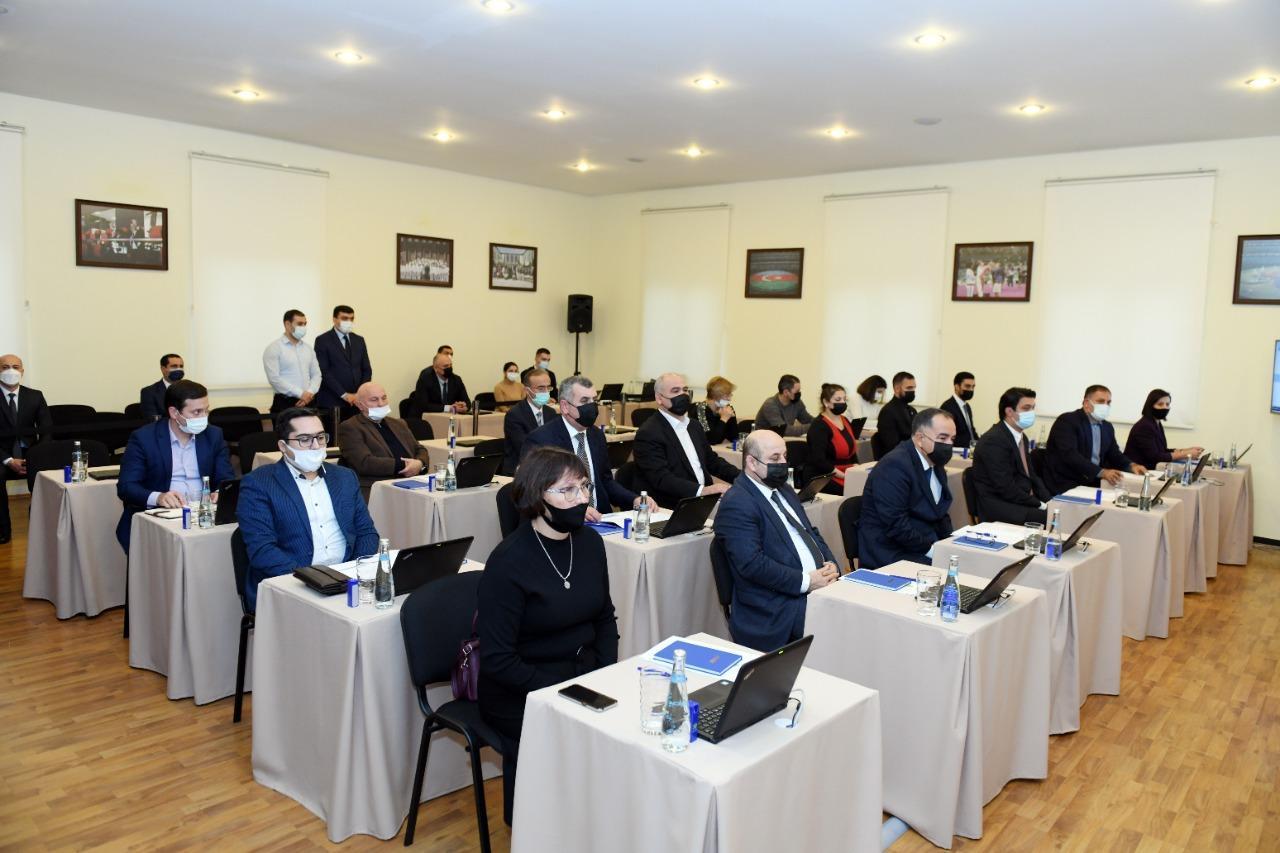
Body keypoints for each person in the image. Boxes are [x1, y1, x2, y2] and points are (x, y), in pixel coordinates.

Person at [478, 446, 618, 825]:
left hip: (580, 675)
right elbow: (498, 660)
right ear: (538, 496)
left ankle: (592, 825)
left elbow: (605, 618)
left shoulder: (590, 543)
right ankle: (538, 829)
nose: (582, 499)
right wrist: (562, 692)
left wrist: (604, 673)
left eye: (584, 487)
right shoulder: (508, 562)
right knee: (571, 743)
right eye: (567, 490)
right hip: (521, 687)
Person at [236, 408, 379, 612]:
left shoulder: (345, 477)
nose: (315, 446)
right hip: (291, 583)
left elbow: (366, 532)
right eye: (304, 439)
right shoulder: (259, 483)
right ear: (283, 446)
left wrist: (355, 573)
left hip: (346, 579)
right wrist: (314, 580)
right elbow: (262, 550)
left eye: (320, 437)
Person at [713, 430, 839, 651]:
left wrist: (831, 564)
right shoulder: (737, 502)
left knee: (864, 609)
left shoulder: (784, 490)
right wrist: (807, 581)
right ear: (752, 463)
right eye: (774, 458)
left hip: (816, 586)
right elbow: (751, 564)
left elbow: (810, 532)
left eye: (784, 456)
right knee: (846, 626)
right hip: (775, 605)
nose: (783, 463)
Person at [115, 380, 235, 552]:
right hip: (161, 518)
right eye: (196, 412)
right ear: (174, 412)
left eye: (206, 410)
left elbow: (226, 477)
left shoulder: (213, 435)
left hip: (204, 516)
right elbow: (126, 487)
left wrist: (219, 492)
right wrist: (158, 497)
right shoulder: (144, 438)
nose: (203, 417)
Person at [522, 375, 657, 517]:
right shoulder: (541, 439)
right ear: (565, 406)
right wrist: (576, 509)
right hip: (564, 520)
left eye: (594, 400)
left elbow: (605, 481)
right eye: (584, 401)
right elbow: (533, 491)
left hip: (601, 518)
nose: (592, 406)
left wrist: (634, 499)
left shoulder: (596, 435)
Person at [859, 408, 955, 568]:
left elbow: (940, 513)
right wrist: (934, 551)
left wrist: (951, 545)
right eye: (943, 438)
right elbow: (896, 525)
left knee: (969, 561)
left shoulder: (934, 461)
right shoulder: (894, 466)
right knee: (953, 570)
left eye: (952, 439)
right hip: (891, 551)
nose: (949, 445)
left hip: (921, 542)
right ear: (920, 438)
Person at [633, 372, 739, 508]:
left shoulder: (694, 425)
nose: (683, 395)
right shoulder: (649, 432)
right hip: (672, 505)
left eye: (685, 390)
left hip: (704, 501)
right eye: (675, 391)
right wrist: (703, 491)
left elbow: (712, 461)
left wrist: (742, 478)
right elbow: (661, 478)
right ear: (659, 398)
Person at [1042, 385, 1147, 495]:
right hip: (1067, 480)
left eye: (1108, 402)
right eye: (1101, 401)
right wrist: (1102, 472)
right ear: (1086, 403)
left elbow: (1114, 453)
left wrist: (1131, 465)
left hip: (1093, 480)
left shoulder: (1107, 427)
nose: (1105, 406)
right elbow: (1070, 455)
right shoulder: (1067, 421)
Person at [335, 382, 432, 498]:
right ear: (360, 405)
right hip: (376, 487)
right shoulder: (350, 427)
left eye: (384, 398)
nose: (381, 404)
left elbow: (420, 449)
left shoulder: (398, 423)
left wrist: (419, 463)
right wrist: (404, 465)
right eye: (374, 399)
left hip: (411, 483)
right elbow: (365, 463)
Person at [971, 387, 1051, 525]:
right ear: (1009, 411)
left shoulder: (1022, 438)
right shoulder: (994, 440)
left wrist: (1049, 501)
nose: (1031, 413)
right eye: (1026, 408)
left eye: (1033, 408)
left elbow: (1032, 476)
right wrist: (1039, 504)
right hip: (1000, 506)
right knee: (1052, 519)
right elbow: (1005, 487)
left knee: (1060, 512)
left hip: (1020, 500)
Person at [0, 354, 52, 545]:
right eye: (5, 367)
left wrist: (35, 456)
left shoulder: (35, 396)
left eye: (15, 367)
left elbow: (47, 430)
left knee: (47, 475)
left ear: (22, 371)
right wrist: (8, 460)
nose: (10, 371)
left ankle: (42, 528)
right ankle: (3, 531)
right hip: (2, 456)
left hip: (30, 453)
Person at [313, 305, 372, 421]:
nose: (348, 322)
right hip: (332, 401)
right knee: (335, 432)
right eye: (344, 318)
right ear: (334, 319)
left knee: (356, 432)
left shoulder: (359, 340)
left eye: (351, 319)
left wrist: (359, 394)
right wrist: (344, 394)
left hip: (357, 402)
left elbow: (366, 369)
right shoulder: (322, 340)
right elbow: (324, 371)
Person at [1124, 389, 1205, 470]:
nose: (1165, 407)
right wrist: (1186, 454)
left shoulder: (1156, 423)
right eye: (1160, 404)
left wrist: (1187, 450)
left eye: (1167, 404)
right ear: (1150, 405)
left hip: (1150, 469)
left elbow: (1162, 451)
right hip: (1139, 471)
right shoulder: (1144, 426)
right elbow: (1155, 457)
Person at [263, 309, 322, 415]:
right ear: (287, 324)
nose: (303, 327)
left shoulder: (308, 349)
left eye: (305, 324)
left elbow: (317, 374)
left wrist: (309, 393)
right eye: (299, 324)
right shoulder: (274, 348)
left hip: (309, 401)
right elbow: (274, 379)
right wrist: (300, 394)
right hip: (285, 403)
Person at [502, 368, 558, 475]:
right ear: (527, 390)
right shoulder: (515, 415)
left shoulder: (551, 413)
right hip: (521, 470)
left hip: (548, 468)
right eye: (541, 388)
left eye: (548, 387)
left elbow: (558, 442)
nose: (546, 391)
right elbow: (526, 448)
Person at [806, 383, 858, 495]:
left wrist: (857, 469)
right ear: (826, 402)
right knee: (855, 489)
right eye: (838, 399)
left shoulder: (845, 420)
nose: (842, 403)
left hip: (845, 470)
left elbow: (853, 453)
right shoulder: (819, 426)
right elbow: (819, 461)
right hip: (825, 475)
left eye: (844, 399)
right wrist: (844, 476)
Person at [870, 371, 917, 460]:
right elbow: (892, 446)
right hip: (896, 460)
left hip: (910, 456)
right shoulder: (888, 412)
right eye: (909, 388)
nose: (912, 391)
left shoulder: (912, 410)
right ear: (897, 389)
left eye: (914, 388)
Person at [692, 375, 738, 446]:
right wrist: (724, 419)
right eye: (727, 395)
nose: (729, 399)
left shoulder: (726, 408)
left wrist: (731, 418)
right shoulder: (700, 409)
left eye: (730, 395)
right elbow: (711, 440)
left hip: (720, 449)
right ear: (716, 395)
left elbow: (734, 437)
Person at [140, 353, 184, 422]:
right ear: (163, 369)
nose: (178, 369)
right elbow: (153, 420)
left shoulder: (192, 390)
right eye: (174, 366)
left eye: (181, 366)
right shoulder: (149, 392)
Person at [940, 371, 977, 449]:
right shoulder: (947, 407)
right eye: (967, 386)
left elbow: (970, 431)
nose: (971, 389)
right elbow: (947, 435)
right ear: (957, 387)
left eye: (973, 387)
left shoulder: (967, 407)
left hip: (968, 450)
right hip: (955, 451)